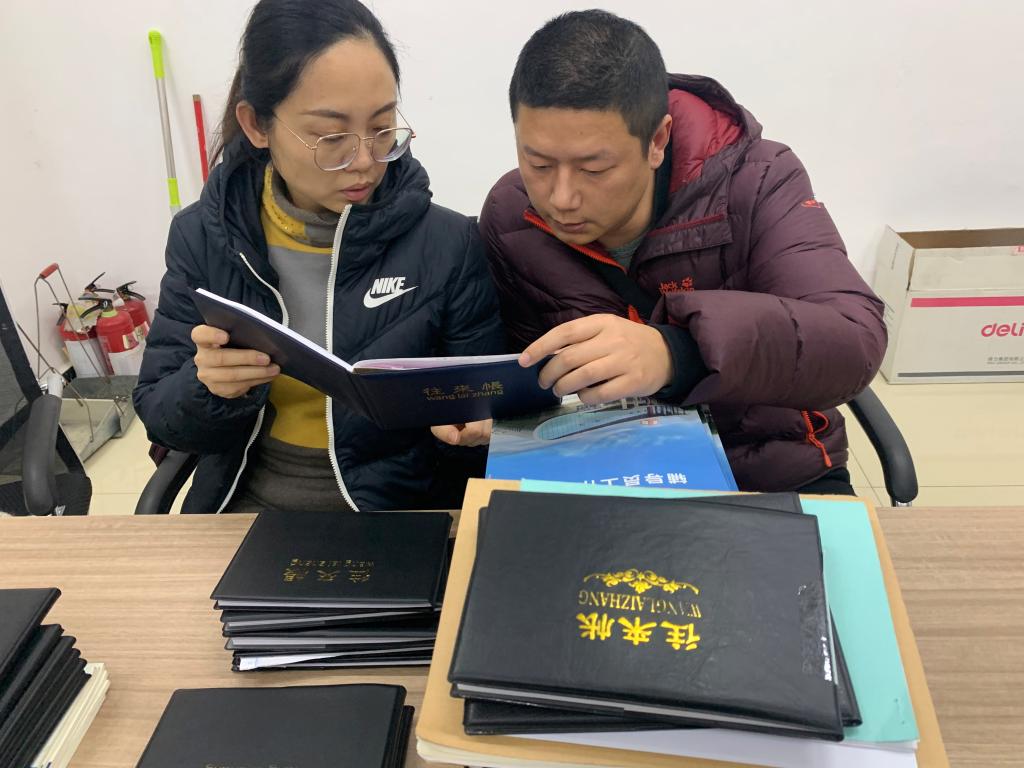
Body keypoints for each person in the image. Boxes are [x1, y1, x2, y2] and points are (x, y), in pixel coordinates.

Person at [480, 10, 887, 495]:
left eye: (594, 169)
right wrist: (487, 412)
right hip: (601, 472)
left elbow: (854, 339)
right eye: (539, 164)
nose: (561, 198)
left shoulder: (757, 180)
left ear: (657, 141)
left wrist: (676, 352)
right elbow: (523, 371)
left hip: (766, 468)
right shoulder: (511, 215)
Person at [134, 0, 500, 514]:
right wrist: (210, 388)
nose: (365, 161)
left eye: (382, 127)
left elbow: (483, 416)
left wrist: (474, 424)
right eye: (331, 137)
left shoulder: (448, 243)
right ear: (257, 125)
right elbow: (160, 414)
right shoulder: (205, 237)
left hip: (394, 514)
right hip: (243, 504)